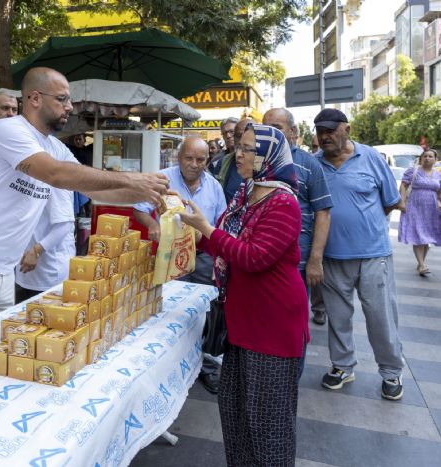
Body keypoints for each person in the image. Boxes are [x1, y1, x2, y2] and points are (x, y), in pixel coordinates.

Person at [0, 67, 169, 344]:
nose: (69, 107)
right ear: (34, 98)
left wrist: (147, 195)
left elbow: (90, 187)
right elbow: (56, 173)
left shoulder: (54, 147)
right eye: (62, 99)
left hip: (4, 270)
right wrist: (133, 179)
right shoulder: (8, 130)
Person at [180, 124, 308, 467]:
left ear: (268, 156)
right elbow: (219, 240)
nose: (240, 153)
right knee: (236, 414)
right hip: (242, 323)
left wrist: (206, 228)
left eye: (250, 148)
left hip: (272, 327)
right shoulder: (244, 194)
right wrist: (184, 232)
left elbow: (254, 258)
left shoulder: (283, 203)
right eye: (240, 146)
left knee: (268, 424)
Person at [313, 108, 405, 401]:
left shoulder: (372, 159)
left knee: (381, 317)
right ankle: (342, 366)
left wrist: (364, 225)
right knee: (338, 317)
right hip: (332, 257)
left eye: (330, 130)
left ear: (347, 130)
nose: (325, 136)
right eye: (320, 131)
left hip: (373, 255)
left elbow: (391, 202)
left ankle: (391, 372)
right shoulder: (314, 165)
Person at [133, 136, 227, 394]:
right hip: (170, 255)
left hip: (204, 257)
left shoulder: (215, 187)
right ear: (179, 157)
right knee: (171, 309)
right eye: (189, 158)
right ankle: (170, 367)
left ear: (207, 160)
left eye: (200, 159)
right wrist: (152, 225)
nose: (194, 164)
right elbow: (139, 209)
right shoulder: (162, 179)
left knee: (205, 309)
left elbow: (220, 222)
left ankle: (206, 367)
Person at [263, 108, 332, 327]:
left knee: (293, 325)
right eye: (266, 128)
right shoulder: (256, 162)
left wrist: (315, 259)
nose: (270, 134)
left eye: (276, 128)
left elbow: (323, 212)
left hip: (297, 263)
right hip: (260, 259)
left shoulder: (310, 165)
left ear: (292, 131)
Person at [15, 187, 76, 302]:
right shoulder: (31, 177)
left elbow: (64, 225)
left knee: (46, 317)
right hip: (26, 271)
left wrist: (36, 251)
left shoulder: (56, 183)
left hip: (51, 273)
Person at [398, 148, 441, 276]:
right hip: (415, 207)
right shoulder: (414, 171)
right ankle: (422, 265)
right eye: (425, 156)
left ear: (435, 159)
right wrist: (403, 201)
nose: (427, 158)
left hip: (432, 210)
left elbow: (439, 193)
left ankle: (421, 262)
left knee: (426, 236)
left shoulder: (438, 175)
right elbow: (403, 185)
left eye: (430, 156)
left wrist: (440, 203)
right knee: (418, 235)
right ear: (421, 158)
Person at [214, 118, 251, 204]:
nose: (228, 136)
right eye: (224, 133)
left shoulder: (266, 164)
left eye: (231, 132)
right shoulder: (222, 161)